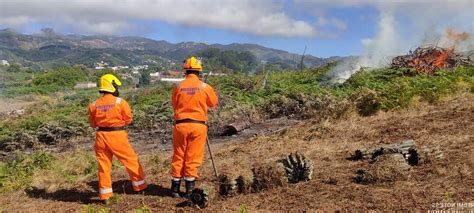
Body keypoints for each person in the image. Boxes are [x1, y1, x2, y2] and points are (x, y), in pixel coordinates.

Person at [88, 74, 147, 204]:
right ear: (112, 86)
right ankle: (140, 186)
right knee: (131, 160)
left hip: (100, 137)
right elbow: (128, 119)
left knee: (104, 166)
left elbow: (92, 124)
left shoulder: (93, 105)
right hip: (117, 136)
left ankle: (105, 196)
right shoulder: (120, 102)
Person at [170, 56, 218, 198]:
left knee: (179, 155)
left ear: (186, 71)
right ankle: (190, 190)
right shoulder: (204, 87)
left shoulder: (178, 87)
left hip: (180, 125)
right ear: (199, 71)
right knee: (193, 157)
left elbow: (174, 105)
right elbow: (213, 103)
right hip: (198, 126)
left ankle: (175, 189)